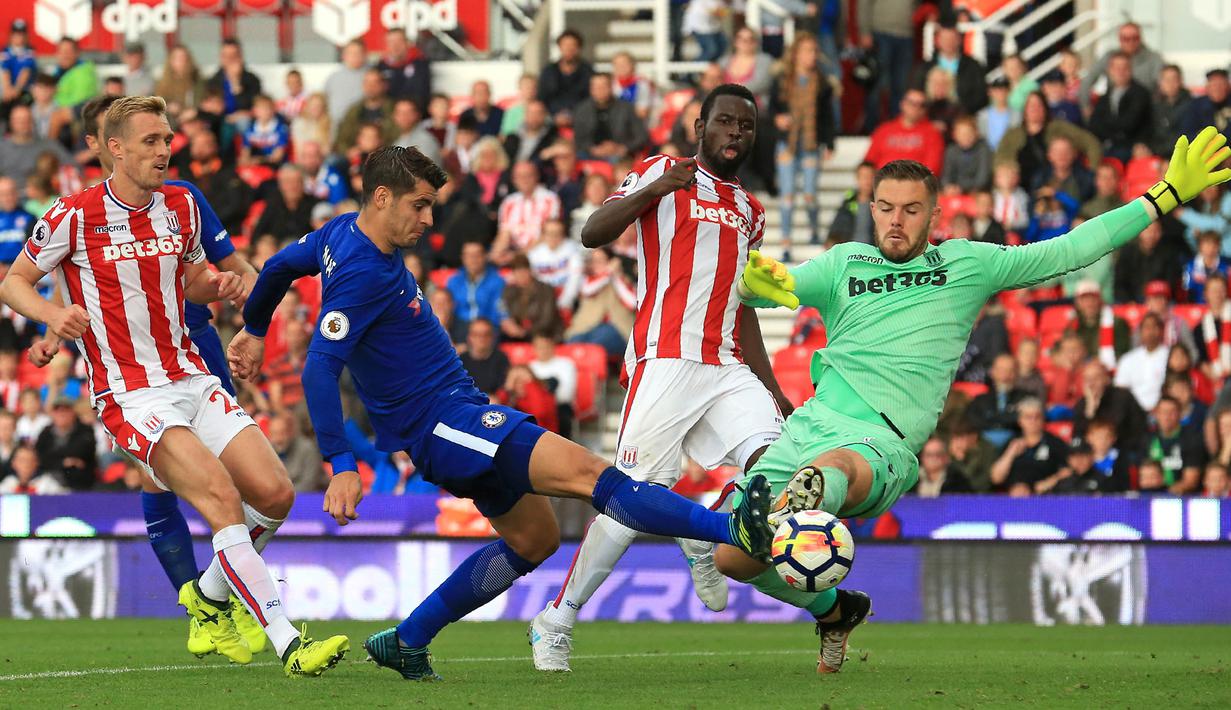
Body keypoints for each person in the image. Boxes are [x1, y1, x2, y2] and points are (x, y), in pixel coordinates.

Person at [228, 144, 776, 681]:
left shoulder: (339, 232)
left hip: (456, 415)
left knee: (534, 540)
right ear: (381, 198)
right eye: (419, 205)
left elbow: (276, 268)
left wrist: (253, 329)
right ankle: (729, 529)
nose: (429, 218)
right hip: (444, 423)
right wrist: (341, 463)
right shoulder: (360, 274)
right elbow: (319, 369)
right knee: (595, 477)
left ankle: (408, 640)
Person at [723, 125, 1230, 671]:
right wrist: (756, 282)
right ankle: (834, 609)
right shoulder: (844, 263)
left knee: (832, 469)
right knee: (731, 557)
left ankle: (793, 509)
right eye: (887, 208)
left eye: (912, 210)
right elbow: (777, 285)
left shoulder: (965, 265)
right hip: (808, 426)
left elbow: (1070, 248)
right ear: (871, 208)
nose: (897, 221)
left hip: (879, 443)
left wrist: (1162, 197)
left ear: (935, 216)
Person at [0, 96, 345, 674]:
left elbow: (189, 281)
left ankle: (207, 596)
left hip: (191, 374)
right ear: (115, 149)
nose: (165, 151)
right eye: (152, 141)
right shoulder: (72, 214)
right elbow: (13, 281)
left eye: (167, 140)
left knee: (277, 495)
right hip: (131, 394)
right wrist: (52, 315)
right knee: (220, 498)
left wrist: (224, 287)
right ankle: (289, 641)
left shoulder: (181, 205)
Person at [530, 85, 792, 672]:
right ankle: (556, 619)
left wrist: (773, 388)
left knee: (778, 465)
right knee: (626, 500)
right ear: (699, 126)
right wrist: (655, 189)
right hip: (665, 358)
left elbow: (740, 303)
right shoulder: (661, 171)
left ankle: (704, 534)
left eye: (745, 127)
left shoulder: (751, 211)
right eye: (724, 122)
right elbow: (592, 232)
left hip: (727, 365)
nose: (735, 134)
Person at [769, 31, 837, 257]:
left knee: (809, 194)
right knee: (787, 195)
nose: (812, 56)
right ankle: (786, 244)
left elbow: (827, 116)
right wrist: (779, 119)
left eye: (814, 51)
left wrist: (829, 143)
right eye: (807, 50)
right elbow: (771, 110)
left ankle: (814, 229)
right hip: (787, 143)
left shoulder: (821, 82)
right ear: (796, 54)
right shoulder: (782, 80)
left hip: (809, 142)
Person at [995, 92, 1101, 192]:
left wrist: (1092, 173)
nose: (1034, 109)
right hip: (1019, 190)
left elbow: (1091, 144)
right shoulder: (1012, 135)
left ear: (1045, 108)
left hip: (1058, 188)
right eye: (1031, 105)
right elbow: (1001, 161)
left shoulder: (1059, 128)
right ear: (1025, 110)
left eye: (1038, 105)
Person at [857, 0, 914, 132]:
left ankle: (898, 127)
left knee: (901, 85)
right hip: (881, 33)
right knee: (876, 84)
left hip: (906, 35)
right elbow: (864, 3)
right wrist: (865, 31)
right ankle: (872, 127)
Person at [1089, 52, 1154, 164]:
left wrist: (1107, 124)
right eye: (1116, 68)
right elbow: (1094, 123)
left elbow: (1129, 123)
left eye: (1125, 68)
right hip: (1108, 145)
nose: (1121, 72)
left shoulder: (1141, 93)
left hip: (1131, 147)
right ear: (1110, 71)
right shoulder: (1106, 95)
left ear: (1131, 70)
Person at [863, 89, 944, 175]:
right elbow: (869, 162)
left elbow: (932, 168)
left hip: (914, 183)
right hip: (883, 182)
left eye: (921, 105)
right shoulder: (884, 130)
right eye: (912, 103)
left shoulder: (932, 133)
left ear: (925, 109)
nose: (916, 108)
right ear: (902, 104)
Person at [571, 73, 649, 162]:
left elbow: (641, 136)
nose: (600, 90)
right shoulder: (582, 110)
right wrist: (593, 149)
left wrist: (623, 148)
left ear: (611, 87)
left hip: (620, 155)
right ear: (591, 89)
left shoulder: (627, 108)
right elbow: (578, 138)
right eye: (596, 87)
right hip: (589, 154)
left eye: (603, 86)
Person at [1081, 21, 1165, 104]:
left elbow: (1165, 86)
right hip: (1115, 108)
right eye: (1126, 39)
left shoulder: (1154, 58)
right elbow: (1087, 80)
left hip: (1145, 109)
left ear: (1141, 38)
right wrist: (1086, 107)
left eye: (1135, 38)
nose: (1131, 42)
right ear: (1119, 39)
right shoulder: (1109, 56)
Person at [492, 161, 562, 261]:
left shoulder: (550, 199)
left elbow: (548, 235)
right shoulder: (508, 202)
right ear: (514, 180)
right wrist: (497, 253)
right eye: (519, 176)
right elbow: (504, 234)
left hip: (543, 254)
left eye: (528, 175)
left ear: (537, 177)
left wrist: (518, 256)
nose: (524, 180)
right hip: (516, 254)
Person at [913, 24, 987, 117]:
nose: (949, 42)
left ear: (959, 40)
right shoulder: (924, 68)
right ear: (937, 40)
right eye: (944, 38)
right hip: (930, 118)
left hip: (964, 119)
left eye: (952, 38)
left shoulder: (973, 66)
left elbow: (980, 96)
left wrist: (962, 113)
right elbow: (917, 94)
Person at [1073, 360, 1147, 445]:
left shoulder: (1123, 397)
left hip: (1124, 448)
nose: (1091, 384)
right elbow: (1079, 437)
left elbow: (1120, 427)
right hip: (1092, 454)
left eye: (1096, 378)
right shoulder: (1081, 404)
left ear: (1107, 379)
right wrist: (1090, 411)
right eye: (1087, 379)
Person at [0, 105, 72, 187]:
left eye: (27, 120)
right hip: (7, 195)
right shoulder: (2, 147)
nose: (23, 124)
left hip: (42, 196)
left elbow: (72, 166)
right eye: (18, 120)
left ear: (33, 122)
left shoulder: (47, 144)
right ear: (11, 122)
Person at [1146, 395, 1205, 494]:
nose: (1167, 417)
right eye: (1163, 412)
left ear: (1180, 414)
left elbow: (1191, 480)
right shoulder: (1148, 439)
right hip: (1150, 496)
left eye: (1172, 412)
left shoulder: (1192, 439)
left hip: (1184, 498)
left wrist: (1167, 495)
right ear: (1156, 414)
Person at [447, 241, 508, 330]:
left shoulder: (497, 281)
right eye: (469, 256)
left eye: (477, 255)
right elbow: (450, 309)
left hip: (487, 328)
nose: (473, 259)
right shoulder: (454, 281)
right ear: (462, 258)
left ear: (485, 256)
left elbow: (498, 309)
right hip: (460, 327)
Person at [538, 30, 595, 122]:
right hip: (551, 121)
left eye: (573, 45)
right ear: (559, 47)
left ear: (579, 48)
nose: (569, 49)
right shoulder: (548, 72)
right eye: (565, 45)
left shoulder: (588, 72)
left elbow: (592, 99)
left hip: (582, 120)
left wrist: (575, 116)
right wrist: (553, 118)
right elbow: (541, 98)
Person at [375, 28, 432, 111]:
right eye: (391, 42)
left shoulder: (420, 64)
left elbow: (423, 93)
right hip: (390, 114)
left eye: (399, 41)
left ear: (407, 43)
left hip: (415, 113)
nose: (395, 46)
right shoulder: (381, 66)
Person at [206, 39, 262, 121]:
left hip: (244, 120)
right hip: (220, 120)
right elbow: (213, 107)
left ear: (240, 57)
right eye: (226, 56)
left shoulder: (252, 80)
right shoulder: (213, 81)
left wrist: (235, 82)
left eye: (233, 56)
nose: (230, 59)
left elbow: (251, 106)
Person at [323, 40, 369, 132]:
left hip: (363, 129)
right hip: (336, 129)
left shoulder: (371, 76)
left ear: (365, 55)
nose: (355, 56)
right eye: (351, 53)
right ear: (344, 55)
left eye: (358, 53)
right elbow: (325, 102)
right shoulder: (333, 77)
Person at [941, 117, 993, 194]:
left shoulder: (984, 150)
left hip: (977, 191)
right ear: (954, 135)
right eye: (961, 134)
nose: (965, 137)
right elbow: (946, 175)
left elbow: (982, 179)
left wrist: (961, 188)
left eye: (969, 133)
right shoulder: (951, 150)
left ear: (976, 133)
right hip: (954, 191)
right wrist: (948, 186)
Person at [828, 161, 875, 244]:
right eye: (864, 177)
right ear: (857, 178)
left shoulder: (880, 204)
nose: (867, 181)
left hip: (872, 252)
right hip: (850, 252)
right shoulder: (848, 202)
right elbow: (837, 227)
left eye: (870, 177)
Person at [1180, 69, 1231, 143]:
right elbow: (1187, 134)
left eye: (1221, 84)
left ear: (1228, 86)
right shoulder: (1196, 106)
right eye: (1213, 84)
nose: (1217, 88)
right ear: (1207, 87)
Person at [1153, 64, 1193, 157]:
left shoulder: (1192, 105)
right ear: (1160, 83)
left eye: (1174, 80)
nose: (1170, 84)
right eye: (1166, 80)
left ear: (1180, 81)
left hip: (1184, 155)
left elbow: (1187, 136)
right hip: (1158, 154)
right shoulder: (1154, 106)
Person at [0, 176, 34, 265]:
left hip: (22, 269)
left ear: (17, 194)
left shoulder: (30, 218)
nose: (8, 198)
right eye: (4, 194)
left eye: (11, 193)